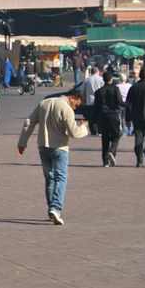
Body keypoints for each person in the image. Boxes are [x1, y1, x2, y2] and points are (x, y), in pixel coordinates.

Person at [16, 87, 88, 225]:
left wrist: (22, 143)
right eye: (76, 104)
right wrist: (84, 127)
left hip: (43, 146)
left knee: (49, 178)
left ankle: (51, 209)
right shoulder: (66, 109)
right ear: (72, 98)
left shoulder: (44, 103)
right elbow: (74, 133)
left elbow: (29, 122)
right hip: (59, 147)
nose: (75, 108)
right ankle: (56, 208)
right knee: (61, 177)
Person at [94, 71, 124, 167]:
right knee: (116, 136)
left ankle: (105, 161)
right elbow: (119, 102)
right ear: (111, 79)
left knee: (105, 139)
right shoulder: (115, 89)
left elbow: (96, 107)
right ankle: (112, 151)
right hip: (114, 115)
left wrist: (95, 121)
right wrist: (128, 103)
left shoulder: (98, 92)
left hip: (102, 117)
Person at [81, 67, 104, 135]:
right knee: (99, 117)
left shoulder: (87, 80)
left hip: (90, 102)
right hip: (99, 102)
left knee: (91, 119)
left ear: (91, 72)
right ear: (98, 72)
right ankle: (100, 131)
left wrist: (84, 99)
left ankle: (93, 132)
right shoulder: (101, 79)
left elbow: (82, 92)